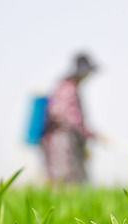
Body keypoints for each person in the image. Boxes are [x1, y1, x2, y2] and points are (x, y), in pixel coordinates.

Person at [41, 53, 98, 184]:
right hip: (62, 139)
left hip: (60, 139)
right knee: (65, 176)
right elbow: (72, 119)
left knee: (63, 175)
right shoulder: (69, 89)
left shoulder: (64, 86)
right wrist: (90, 134)